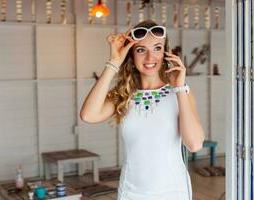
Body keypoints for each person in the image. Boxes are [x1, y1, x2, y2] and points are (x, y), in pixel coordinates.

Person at [80, 20, 205, 200]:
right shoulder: (123, 94)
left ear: (166, 52)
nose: (149, 57)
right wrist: (114, 62)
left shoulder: (180, 92)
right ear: (131, 55)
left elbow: (194, 144)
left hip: (173, 192)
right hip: (132, 192)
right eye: (140, 50)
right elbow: (88, 115)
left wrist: (179, 88)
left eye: (157, 48)